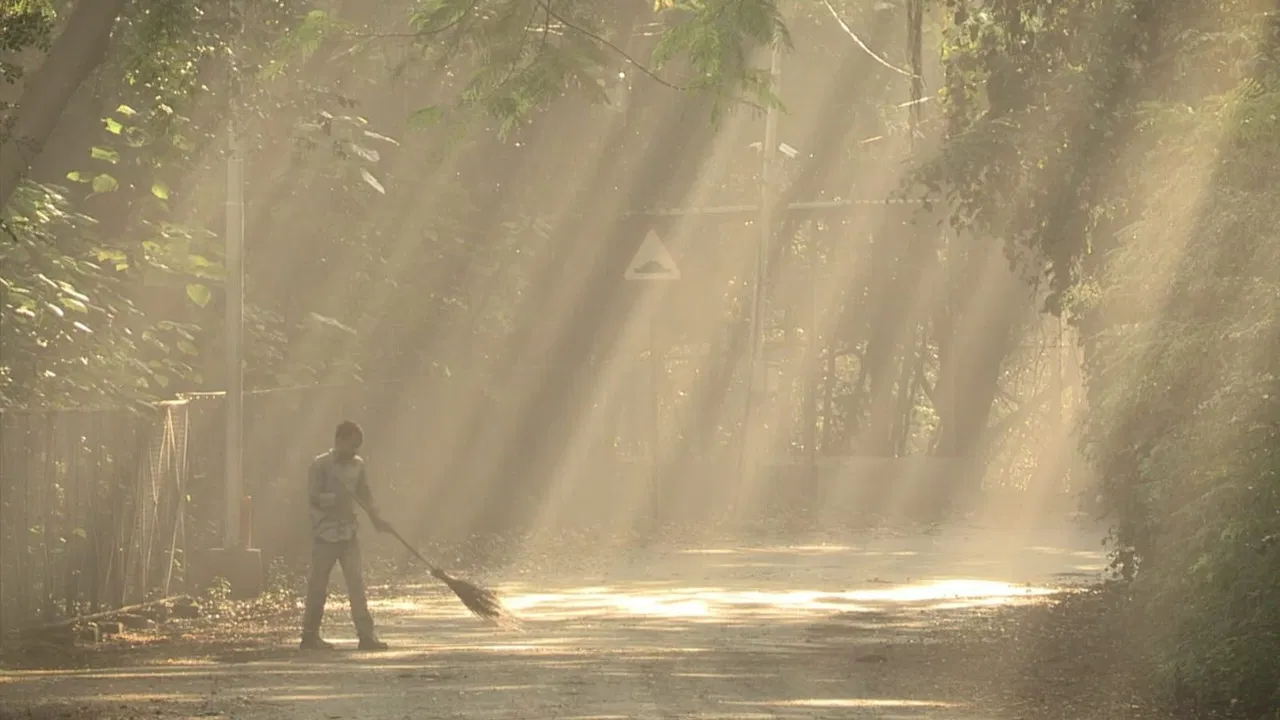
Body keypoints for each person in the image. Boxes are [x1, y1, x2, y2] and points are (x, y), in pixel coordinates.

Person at [299, 420, 393, 651]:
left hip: (349, 532)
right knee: (318, 586)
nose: (354, 451)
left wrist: (376, 518)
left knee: (356, 585)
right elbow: (313, 497)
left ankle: (366, 636)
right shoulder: (320, 465)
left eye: (357, 447)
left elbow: (365, 493)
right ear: (339, 440)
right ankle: (310, 636)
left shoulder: (358, 465)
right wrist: (334, 498)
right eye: (351, 445)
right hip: (325, 533)